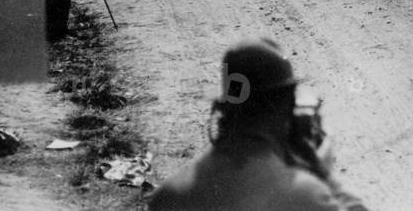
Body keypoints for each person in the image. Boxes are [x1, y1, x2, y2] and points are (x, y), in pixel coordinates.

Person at [149, 38, 368, 211]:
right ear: (285, 106)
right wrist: (321, 173)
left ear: (224, 106)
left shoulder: (167, 195)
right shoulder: (305, 195)